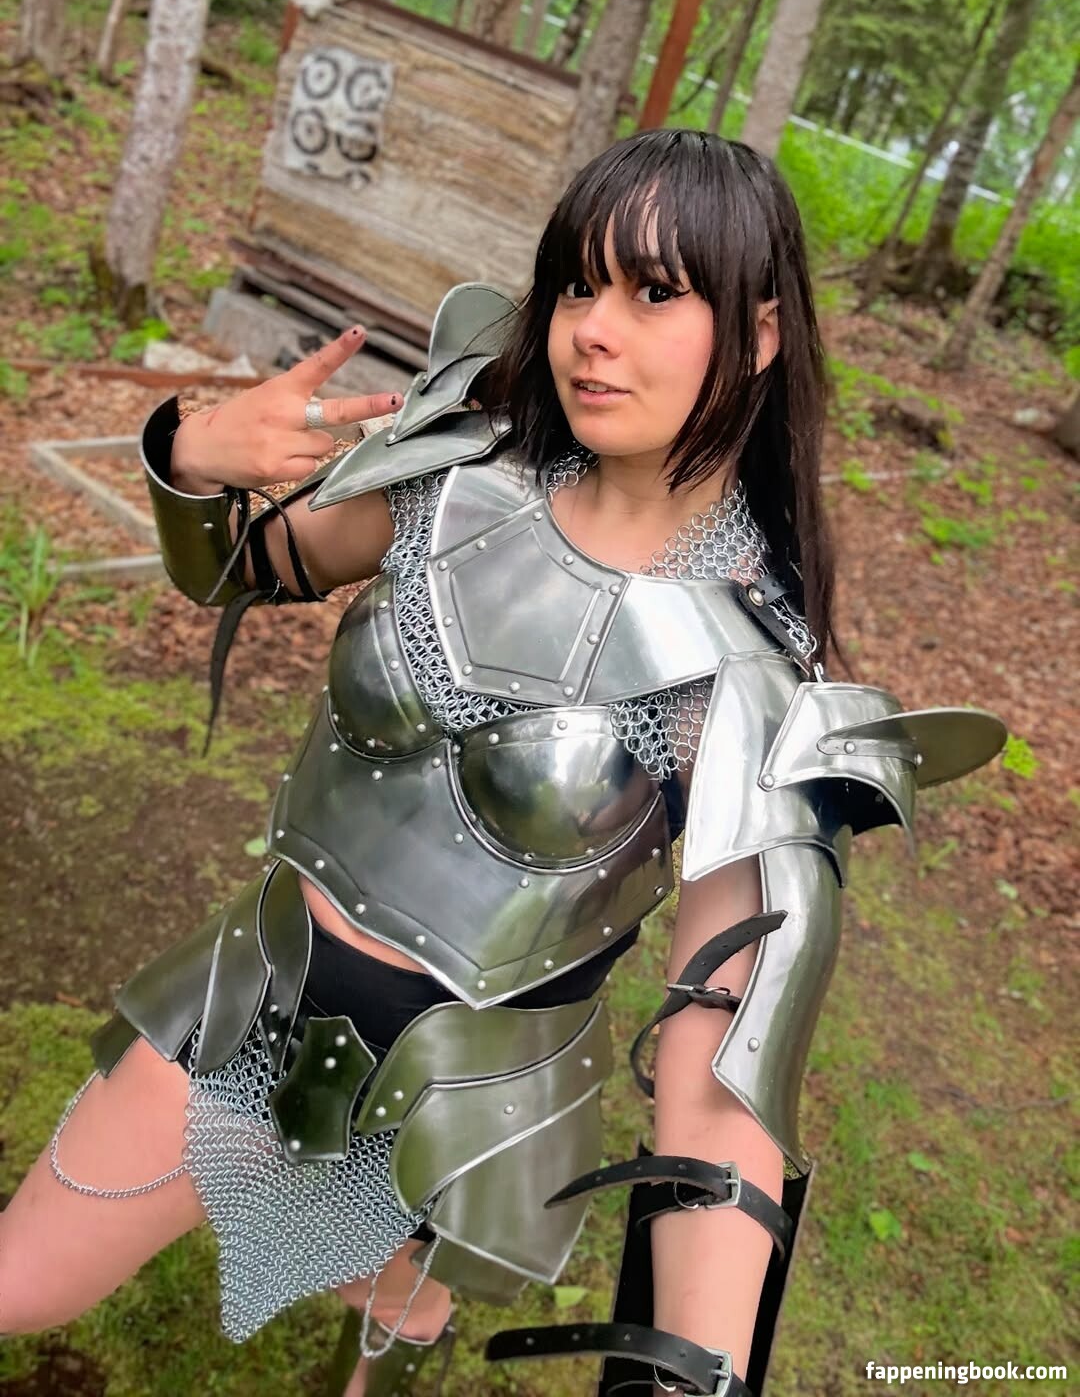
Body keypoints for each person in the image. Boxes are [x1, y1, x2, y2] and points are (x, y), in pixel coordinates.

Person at [0, 129, 1005, 1397]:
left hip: (476, 1104)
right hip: (253, 993)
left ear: (757, 337)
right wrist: (192, 454)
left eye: (655, 293)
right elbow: (247, 562)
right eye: (579, 284)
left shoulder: (751, 681)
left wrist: (695, 1370)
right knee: (20, 1283)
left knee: (383, 1345)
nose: (594, 331)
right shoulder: (456, 477)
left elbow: (725, 1076)